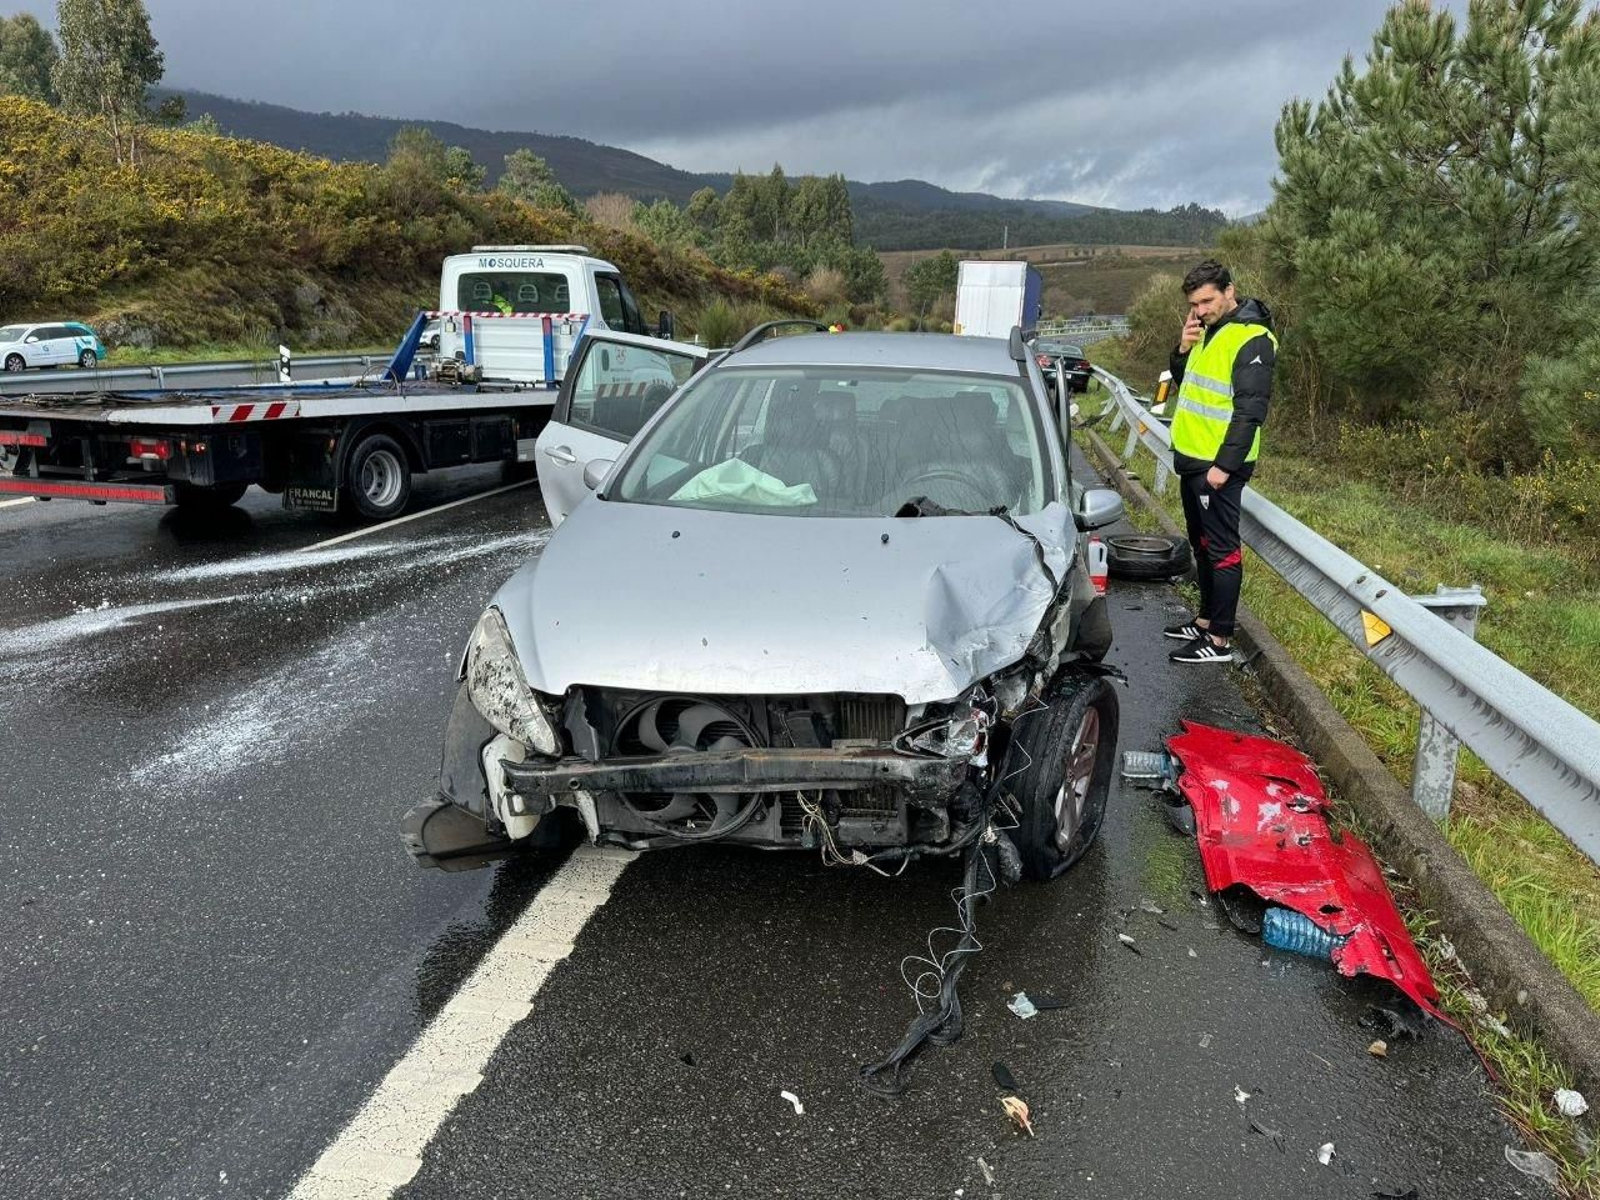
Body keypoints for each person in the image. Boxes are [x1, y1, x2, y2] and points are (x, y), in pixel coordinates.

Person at [1163, 260, 1276, 665]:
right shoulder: (1209, 332)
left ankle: (1220, 640)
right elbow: (1187, 384)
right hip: (1193, 458)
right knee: (1202, 545)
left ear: (1230, 290)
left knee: (1223, 551)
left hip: (1218, 466)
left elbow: (1250, 411)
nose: (1201, 310)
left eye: (1207, 300)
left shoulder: (1252, 339)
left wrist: (1223, 468)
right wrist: (1182, 349)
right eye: (1195, 304)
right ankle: (1205, 619)